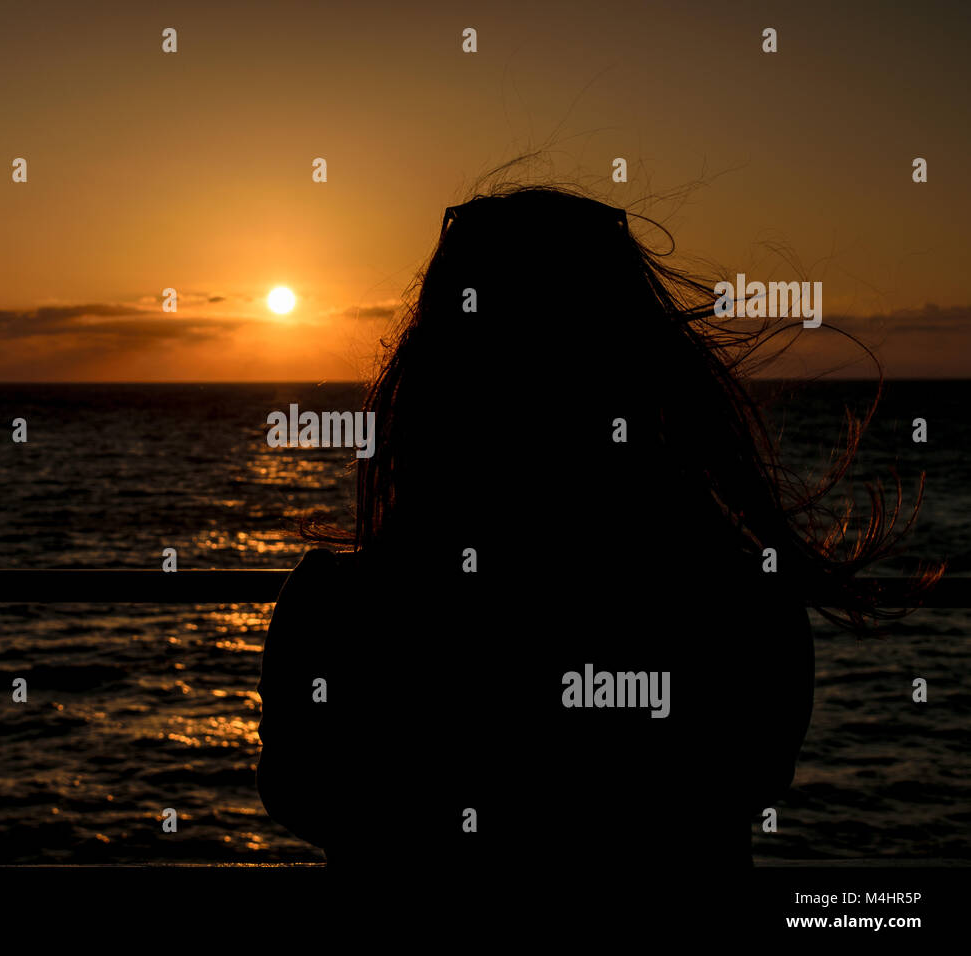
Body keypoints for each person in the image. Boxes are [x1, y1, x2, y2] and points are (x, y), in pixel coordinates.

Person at [255, 182, 941, 879]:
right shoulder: (745, 608)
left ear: (434, 370)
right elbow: (752, 778)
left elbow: (299, 794)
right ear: (635, 363)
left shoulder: (333, 610)